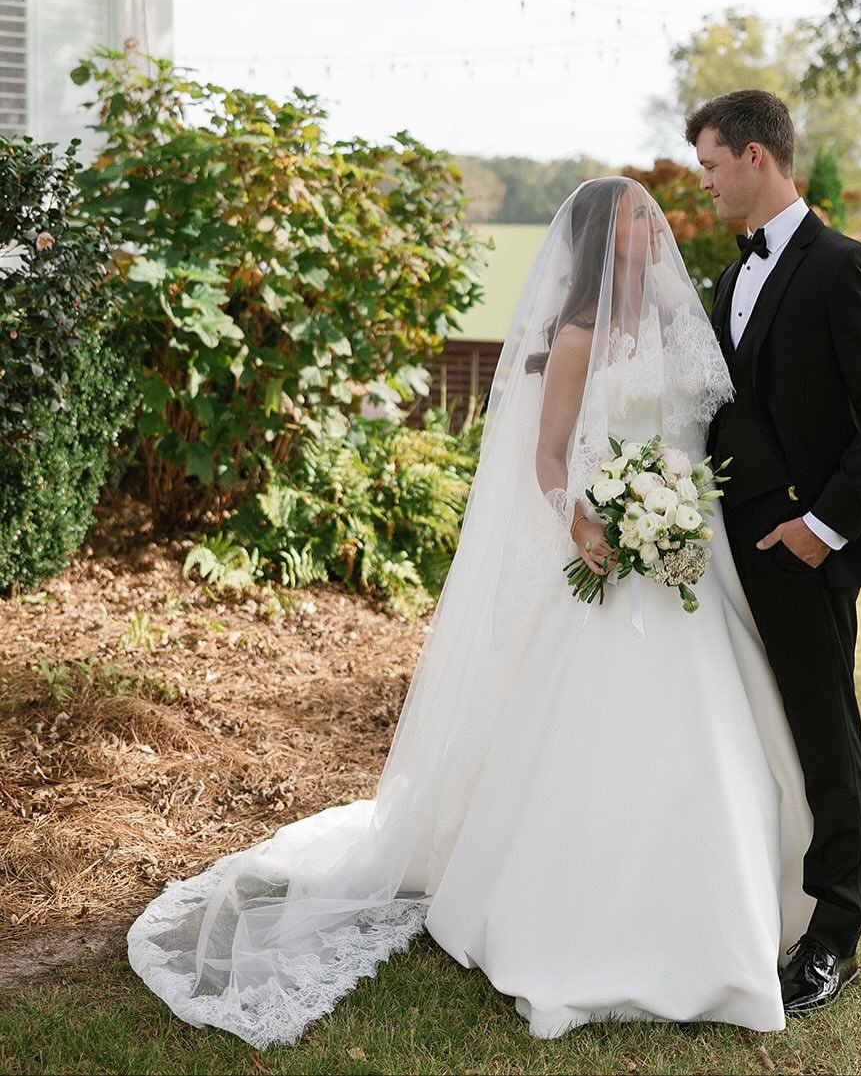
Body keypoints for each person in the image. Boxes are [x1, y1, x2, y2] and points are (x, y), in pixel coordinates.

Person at [128, 177, 815, 1048]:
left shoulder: (689, 324)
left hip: (692, 550)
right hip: (616, 555)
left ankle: (743, 906)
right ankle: (584, 916)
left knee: (725, 728)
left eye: (655, 215)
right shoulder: (573, 336)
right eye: (640, 217)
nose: (659, 227)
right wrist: (589, 519)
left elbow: (715, 426)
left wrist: (681, 502)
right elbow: (549, 456)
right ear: (606, 239)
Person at [687, 91, 861, 1015]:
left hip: (800, 547)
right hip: (721, 548)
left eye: (710, 164)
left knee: (827, 734)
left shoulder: (841, 265)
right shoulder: (726, 276)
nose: (704, 182)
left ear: (755, 156)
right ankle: (756, 898)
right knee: (753, 726)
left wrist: (819, 527)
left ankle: (834, 932)